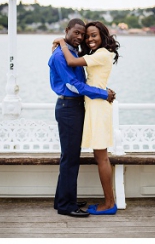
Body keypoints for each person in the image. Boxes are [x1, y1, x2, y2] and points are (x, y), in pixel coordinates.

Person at [48, 19, 115, 218]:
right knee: (70, 158)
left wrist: (103, 90)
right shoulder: (61, 55)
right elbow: (74, 84)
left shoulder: (73, 52)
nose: (80, 37)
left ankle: (63, 200)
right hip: (68, 107)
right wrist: (103, 94)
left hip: (75, 107)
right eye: (77, 33)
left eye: (83, 34)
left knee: (70, 156)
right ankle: (66, 205)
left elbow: (86, 78)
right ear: (67, 31)